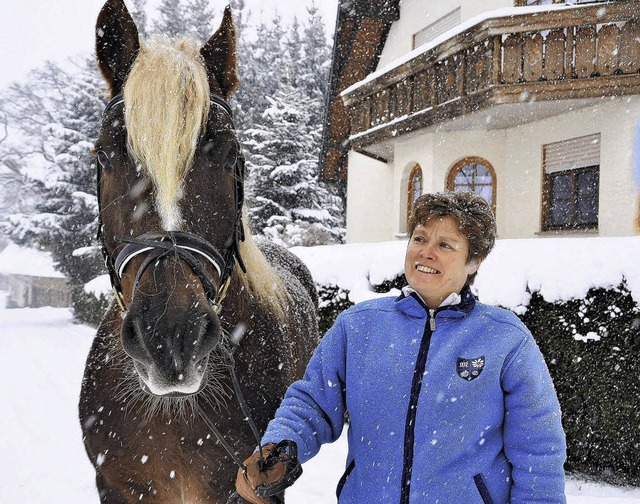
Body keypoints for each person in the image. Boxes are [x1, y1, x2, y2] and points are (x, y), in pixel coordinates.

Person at [235, 191, 567, 503]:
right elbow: (312, 403)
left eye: (446, 245)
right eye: (420, 238)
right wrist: (281, 446)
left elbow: (537, 450)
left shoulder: (505, 338)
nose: (426, 252)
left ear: (474, 261)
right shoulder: (359, 326)